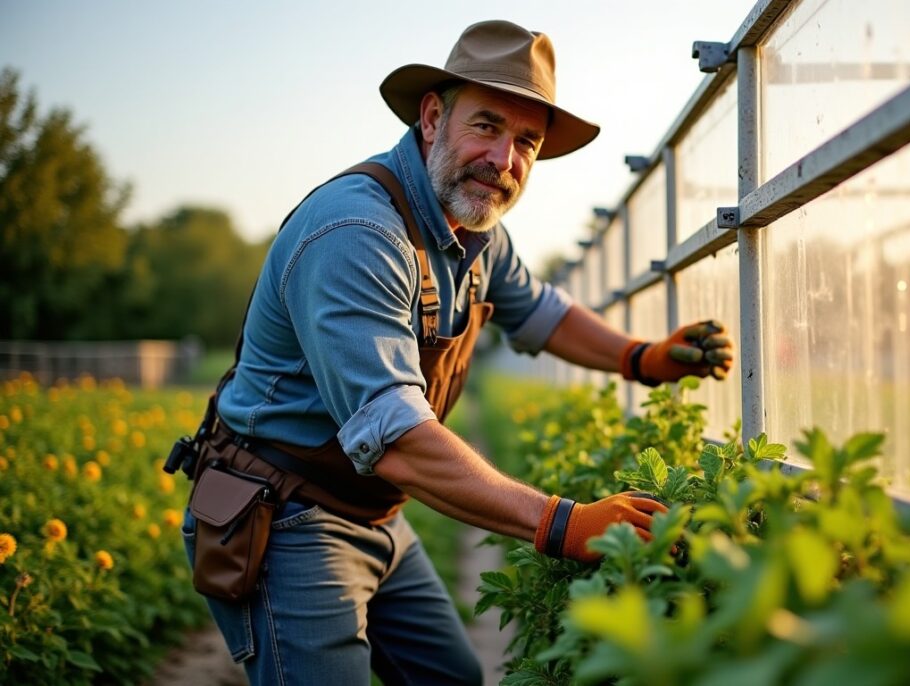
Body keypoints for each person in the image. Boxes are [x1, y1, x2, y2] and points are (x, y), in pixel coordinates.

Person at [179, 19, 734, 686]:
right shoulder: (357, 232)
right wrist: (562, 522)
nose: (504, 160)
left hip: (373, 510)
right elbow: (395, 437)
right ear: (433, 117)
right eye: (488, 126)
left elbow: (541, 311)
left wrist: (640, 357)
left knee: (452, 677)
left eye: (526, 142)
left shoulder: (472, 230)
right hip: (287, 514)